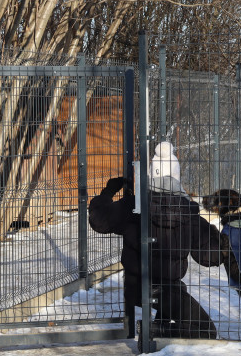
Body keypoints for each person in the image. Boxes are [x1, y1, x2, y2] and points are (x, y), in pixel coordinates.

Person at [89, 142, 224, 338]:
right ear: (176, 177)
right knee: (206, 331)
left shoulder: (133, 206)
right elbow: (209, 257)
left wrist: (107, 193)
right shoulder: (189, 214)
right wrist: (218, 236)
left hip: (136, 287)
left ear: (151, 176)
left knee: (179, 291)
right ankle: (152, 331)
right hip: (169, 290)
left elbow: (99, 221)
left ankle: (155, 328)